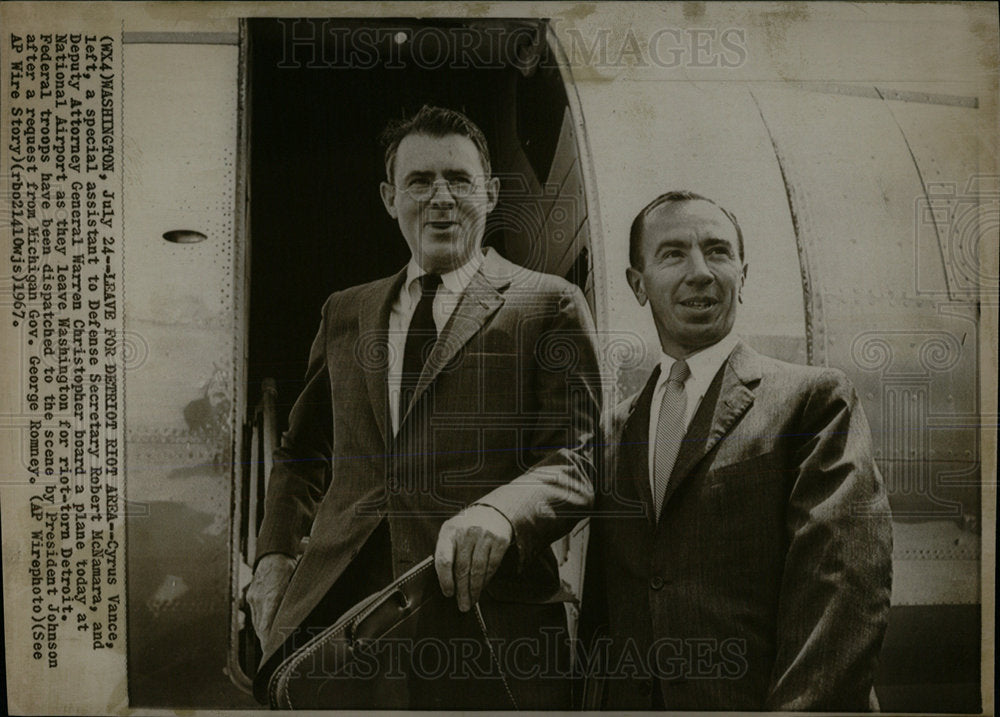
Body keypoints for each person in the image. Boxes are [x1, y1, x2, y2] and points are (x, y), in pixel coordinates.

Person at [246, 105, 600, 709]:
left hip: (482, 625)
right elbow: (302, 452)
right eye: (419, 181)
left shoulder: (550, 305)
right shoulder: (346, 311)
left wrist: (503, 512)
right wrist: (274, 554)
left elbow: (579, 461)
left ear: (489, 193)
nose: (440, 198)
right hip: (341, 621)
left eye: (458, 181)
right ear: (390, 198)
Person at [578, 191, 892, 710]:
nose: (700, 271)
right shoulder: (615, 429)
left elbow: (843, 592)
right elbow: (606, 615)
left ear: (742, 275)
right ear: (638, 284)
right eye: (673, 253)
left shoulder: (812, 401)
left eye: (718, 251)